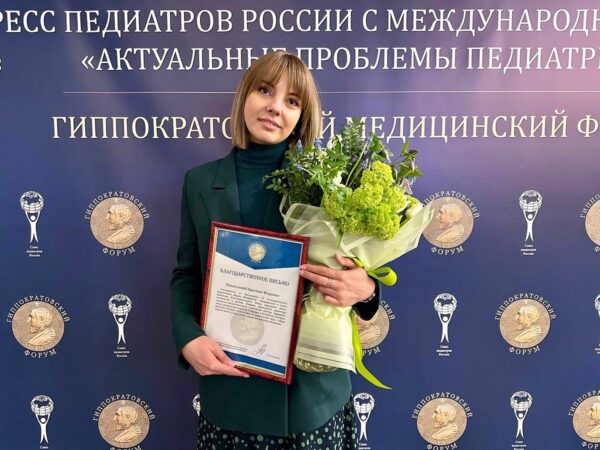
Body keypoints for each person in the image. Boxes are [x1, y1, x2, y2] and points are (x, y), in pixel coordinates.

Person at [171, 50, 380, 450]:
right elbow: (187, 274)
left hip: (312, 398)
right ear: (245, 97)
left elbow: (358, 270)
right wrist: (187, 338)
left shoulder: (330, 185)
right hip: (232, 392)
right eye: (265, 91)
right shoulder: (198, 183)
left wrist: (365, 289)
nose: (275, 107)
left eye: (292, 100)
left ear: (302, 117)